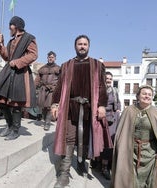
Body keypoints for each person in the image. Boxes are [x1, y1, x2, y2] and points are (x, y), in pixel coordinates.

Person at [51, 35, 112, 187]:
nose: (82, 46)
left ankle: (80, 163)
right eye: (80, 44)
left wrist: (102, 105)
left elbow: (102, 87)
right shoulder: (66, 65)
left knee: (85, 139)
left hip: (90, 108)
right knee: (70, 138)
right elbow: (59, 87)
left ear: (89, 46)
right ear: (75, 46)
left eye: (85, 44)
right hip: (70, 108)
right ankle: (64, 174)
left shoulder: (97, 65)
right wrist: (54, 104)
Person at [111, 85, 157, 188]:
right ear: (138, 96)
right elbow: (121, 133)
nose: (147, 96)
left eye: (149, 95)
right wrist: (121, 150)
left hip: (150, 154)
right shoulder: (129, 111)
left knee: (151, 181)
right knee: (129, 179)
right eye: (144, 94)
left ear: (152, 98)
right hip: (130, 152)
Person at [0, 16, 38, 141]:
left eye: (11, 25)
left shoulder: (29, 38)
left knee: (16, 103)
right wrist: (0, 43)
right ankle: (9, 125)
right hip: (8, 72)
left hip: (21, 73)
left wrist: (17, 62)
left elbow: (33, 55)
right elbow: (6, 57)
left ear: (16, 26)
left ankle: (15, 129)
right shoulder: (11, 41)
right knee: (1, 100)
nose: (9, 28)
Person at [34, 51, 60, 131]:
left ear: (55, 58)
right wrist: (34, 87)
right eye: (49, 57)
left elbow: (61, 80)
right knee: (42, 106)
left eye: (52, 57)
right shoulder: (42, 68)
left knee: (49, 106)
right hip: (43, 89)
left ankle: (47, 123)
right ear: (47, 58)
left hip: (52, 89)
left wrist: (58, 88)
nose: (50, 58)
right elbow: (37, 79)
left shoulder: (59, 69)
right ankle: (45, 120)